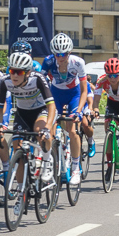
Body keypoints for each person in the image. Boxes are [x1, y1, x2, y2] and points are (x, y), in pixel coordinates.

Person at [0, 51, 57, 185]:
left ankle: (47, 160)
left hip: (41, 110)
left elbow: (51, 106)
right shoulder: (5, 82)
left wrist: (47, 127)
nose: (15, 75)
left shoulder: (37, 79)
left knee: (40, 131)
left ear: (28, 72)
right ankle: (21, 193)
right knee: (18, 149)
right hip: (22, 113)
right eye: (12, 71)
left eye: (20, 72)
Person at [41, 33, 90, 184]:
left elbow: (84, 91)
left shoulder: (78, 62)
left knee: (72, 129)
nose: (60, 57)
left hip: (74, 94)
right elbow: (41, 84)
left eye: (63, 54)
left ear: (69, 53)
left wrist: (78, 111)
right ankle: (50, 161)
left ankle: (75, 167)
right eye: (57, 54)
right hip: (55, 93)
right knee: (49, 128)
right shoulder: (48, 62)